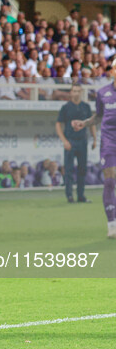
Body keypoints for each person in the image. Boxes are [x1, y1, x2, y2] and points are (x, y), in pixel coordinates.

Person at [73, 61, 116, 237]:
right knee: (109, 181)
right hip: (109, 141)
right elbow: (98, 116)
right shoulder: (102, 92)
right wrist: (84, 123)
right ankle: (112, 224)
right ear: (113, 71)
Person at [56, 83, 95, 203]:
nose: (76, 93)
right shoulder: (66, 107)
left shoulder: (86, 107)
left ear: (81, 92)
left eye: (79, 91)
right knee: (68, 170)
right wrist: (64, 141)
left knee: (82, 169)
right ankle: (69, 196)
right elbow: (58, 124)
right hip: (70, 141)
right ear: (71, 93)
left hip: (82, 141)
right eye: (74, 91)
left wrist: (94, 138)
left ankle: (81, 195)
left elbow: (91, 123)